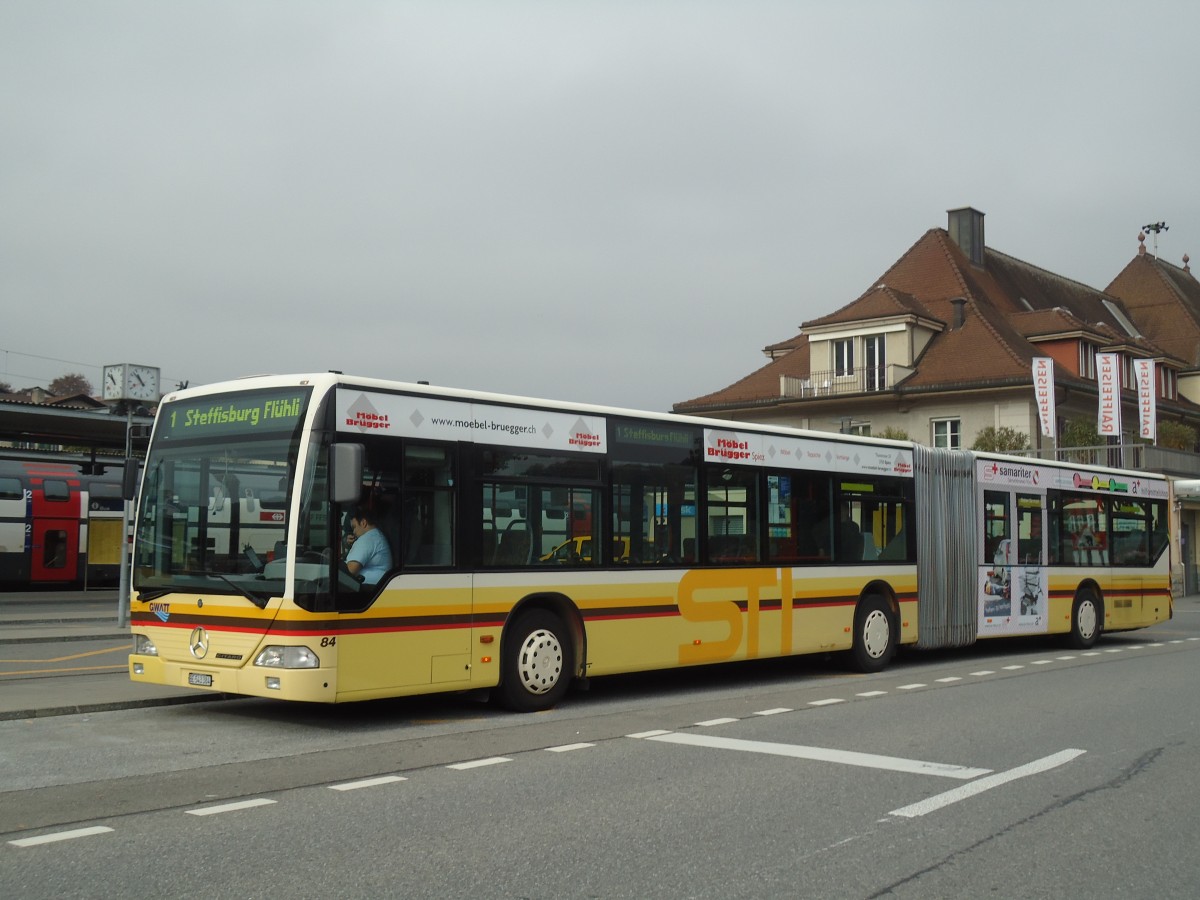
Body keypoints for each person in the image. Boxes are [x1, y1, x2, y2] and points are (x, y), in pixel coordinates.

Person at [344, 505, 393, 584]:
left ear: (363, 523)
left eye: (354, 527)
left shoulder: (367, 539)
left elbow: (350, 570)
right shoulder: (376, 536)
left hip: (370, 591)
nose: (354, 532)